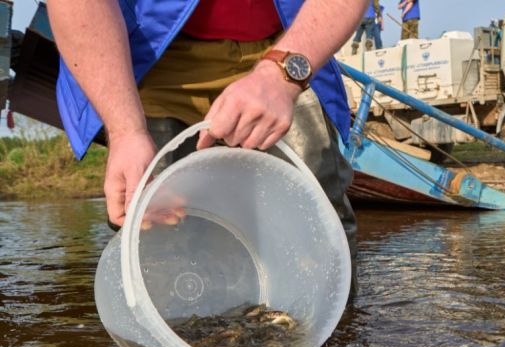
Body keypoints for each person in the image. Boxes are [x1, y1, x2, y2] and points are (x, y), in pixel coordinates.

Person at [48, 0, 367, 274]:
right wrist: (126, 131)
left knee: (318, 226)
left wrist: (282, 73)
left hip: (287, 39)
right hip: (152, 52)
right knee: (155, 231)